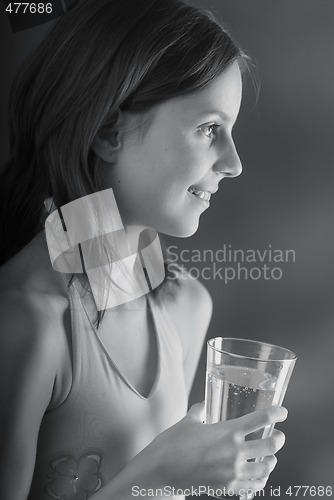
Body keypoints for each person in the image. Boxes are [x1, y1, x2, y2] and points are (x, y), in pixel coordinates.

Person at [0, 0, 288, 499]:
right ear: (110, 132)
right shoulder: (26, 323)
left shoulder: (187, 307)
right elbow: (155, 481)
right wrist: (157, 473)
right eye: (208, 129)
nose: (234, 163)